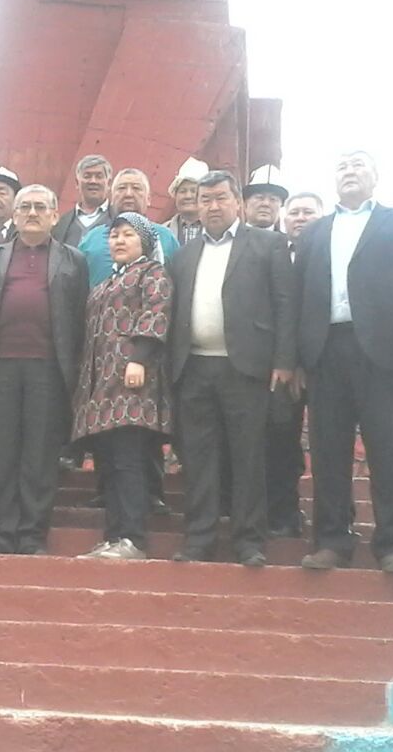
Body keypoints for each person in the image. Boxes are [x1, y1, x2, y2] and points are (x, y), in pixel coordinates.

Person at [295, 151, 393, 573]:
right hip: (324, 351)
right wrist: (296, 357)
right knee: (328, 452)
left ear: (375, 176)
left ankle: (392, 545)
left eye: (358, 164)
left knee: (387, 450)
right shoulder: (315, 231)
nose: (349, 171)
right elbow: (298, 295)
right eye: (342, 166)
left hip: (383, 351)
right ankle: (332, 541)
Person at [165, 170, 296, 566]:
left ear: (237, 202)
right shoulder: (184, 254)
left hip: (247, 368)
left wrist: (284, 360)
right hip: (194, 368)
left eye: (220, 198)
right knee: (198, 458)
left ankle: (249, 541)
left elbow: (285, 304)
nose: (213, 206)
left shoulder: (268, 244)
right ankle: (199, 539)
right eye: (205, 199)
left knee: (248, 456)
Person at [0, 184, 88, 554]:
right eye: (25, 207)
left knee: (40, 454)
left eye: (41, 207)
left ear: (55, 215)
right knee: (0, 451)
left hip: (48, 369)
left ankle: (32, 535)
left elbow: (79, 317)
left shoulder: (73, 260)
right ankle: (0, 534)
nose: (32, 213)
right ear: (14, 214)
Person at [72, 213, 173, 560]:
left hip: (132, 387)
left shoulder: (152, 273)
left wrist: (139, 358)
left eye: (128, 234)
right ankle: (113, 535)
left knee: (129, 461)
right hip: (101, 389)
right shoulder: (106, 282)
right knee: (110, 463)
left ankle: (133, 537)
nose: (119, 241)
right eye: (114, 236)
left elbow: (156, 314)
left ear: (144, 241)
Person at [264, 190, 324, 538]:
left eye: (308, 212)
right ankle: (283, 515)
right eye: (295, 213)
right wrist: (289, 360)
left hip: (326, 362)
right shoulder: (271, 252)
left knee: (329, 443)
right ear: (283, 219)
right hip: (281, 365)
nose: (300, 218)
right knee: (281, 439)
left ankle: (337, 519)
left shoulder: (332, 252)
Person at [76, 168, 178, 288]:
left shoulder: (166, 238)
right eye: (121, 188)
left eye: (136, 188)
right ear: (112, 199)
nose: (128, 194)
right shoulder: (92, 239)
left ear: (148, 199)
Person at [51, 154, 111, 247]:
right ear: (77, 183)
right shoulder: (62, 223)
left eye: (99, 176)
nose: (93, 181)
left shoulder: (118, 218)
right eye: (87, 176)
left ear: (109, 183)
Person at [164, 156, 208, 246]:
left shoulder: (219, 231)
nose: (188, 196)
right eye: (183, 191)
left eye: (193, 191)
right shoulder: (162, 232)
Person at [243, 165, 288, 230]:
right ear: (245, 204)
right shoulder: (230, 236)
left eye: (273, 199)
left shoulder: (289, 237)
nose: (266, 204)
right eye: (260, 197)